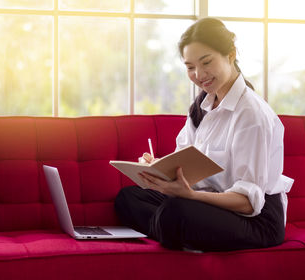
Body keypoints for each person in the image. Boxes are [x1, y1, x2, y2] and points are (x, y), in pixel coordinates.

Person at [114, 17, 294, 252]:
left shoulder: (251, 115)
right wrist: (159, 169)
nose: (199, 74)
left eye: (206, 62)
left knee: (174, 212)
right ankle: (180, 234)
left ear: (230, 54)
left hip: (256, 219)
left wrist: (189, 196)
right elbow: (184, 163)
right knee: (129, 198)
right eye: (190, 67)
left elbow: (248, 202)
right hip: (208, 204)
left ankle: (176, 231)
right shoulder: (202, 106)